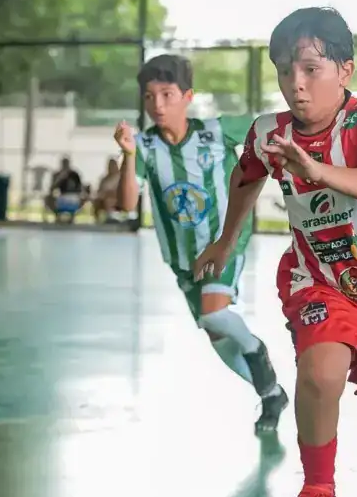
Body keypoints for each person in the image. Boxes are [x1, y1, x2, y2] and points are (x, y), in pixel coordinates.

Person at [195, 8, 357, 497]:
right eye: (285, 70)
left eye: (310, 68)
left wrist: (318, 171)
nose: (296, 84)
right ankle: (317, 488)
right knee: (320, 372)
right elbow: (246, 175)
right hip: (318, 276)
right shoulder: (269, 132)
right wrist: (226, 240)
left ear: (345, 70)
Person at [114, 54, 288, 433]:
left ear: (187, 96)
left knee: (213, 313)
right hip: (182, 258)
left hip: (224, 241)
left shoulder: (217, 131)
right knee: (217, 335)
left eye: (167, 94)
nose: (158, 105)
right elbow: (126, 204)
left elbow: (270, 125)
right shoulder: (143, 146)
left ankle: (256, 349)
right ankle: (271, 392)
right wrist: (127, 155)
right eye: (149, 97)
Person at [93, 157, 121, 222]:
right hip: (103, 197)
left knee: (109, 200)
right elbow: (100, 190)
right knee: (97, 201)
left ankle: (111, 217)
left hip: (116, 197)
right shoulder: (104, 179)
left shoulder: (119, 178)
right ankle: (97, 220)